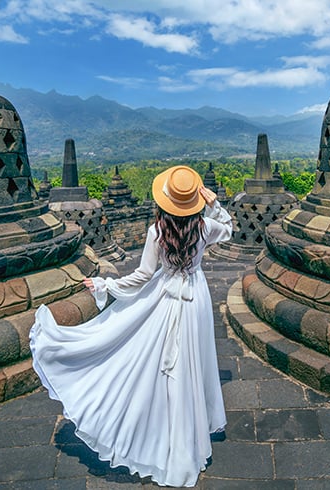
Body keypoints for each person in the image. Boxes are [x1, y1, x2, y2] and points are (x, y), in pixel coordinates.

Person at [29, 165, 232, 487]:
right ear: (194, 200)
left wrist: (105, 284)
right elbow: (229, 227)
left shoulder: (157, 232)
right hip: (196, 297)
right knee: (192, 360)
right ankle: (187, 433)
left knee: (164, 363)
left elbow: (142, 276)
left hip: (165, 297)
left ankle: (162, 427)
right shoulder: (206, 227)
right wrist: (213, 203)